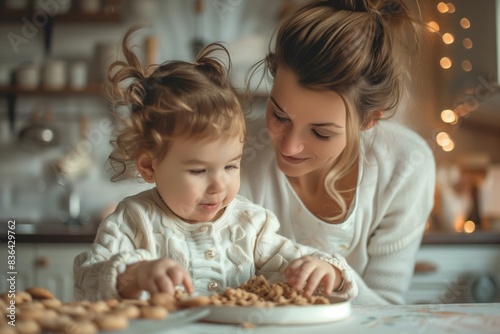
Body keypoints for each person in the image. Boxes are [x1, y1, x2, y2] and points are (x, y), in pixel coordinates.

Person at [73, 27, 358, 302]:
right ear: (149, 166)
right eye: (198, 170)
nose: (219, 185)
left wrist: (328, 272)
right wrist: (134, 276)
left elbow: (297, 267)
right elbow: (86, 282)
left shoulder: (250, 224)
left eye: (231, 166)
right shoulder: (133, 221)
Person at [239, 0, 436, 304]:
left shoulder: (406, 165)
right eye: (279, 116)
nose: (289, 146)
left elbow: (387, 311)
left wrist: (339, 277)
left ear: (369, 120)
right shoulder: (232, 152)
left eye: (321, 132)